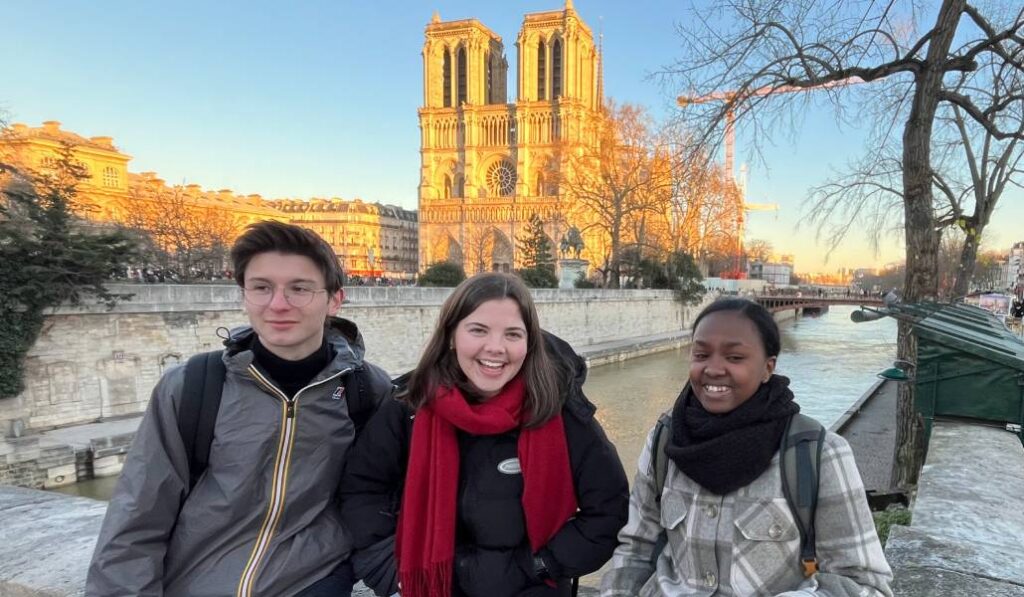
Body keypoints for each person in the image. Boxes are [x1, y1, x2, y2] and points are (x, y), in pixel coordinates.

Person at [86, 221, 393, 596]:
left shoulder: (366, 390)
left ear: (334, 300)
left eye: (299, 289)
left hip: (311, 581)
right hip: (195, 581)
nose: (278, 304)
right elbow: (137, 517)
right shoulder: (193, 386)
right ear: (243, 295)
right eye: (262, 288)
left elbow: (378, 496)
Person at [340, 272, 629, 597]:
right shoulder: (409, 403)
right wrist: (390, 571)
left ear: (529, 342)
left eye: (512, 334)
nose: (496, 348)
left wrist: (539, 566)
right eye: (478, 330)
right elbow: (362, 490)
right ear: (451, 336)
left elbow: (609, 510)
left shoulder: (559, 408)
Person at [600, 298, 893, 596]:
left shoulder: (818, 454)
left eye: (735, 357)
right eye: (701, 354)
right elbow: (635, 552)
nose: (713, 369)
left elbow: (865, 583)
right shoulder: (663, 441)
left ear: (768, 368)